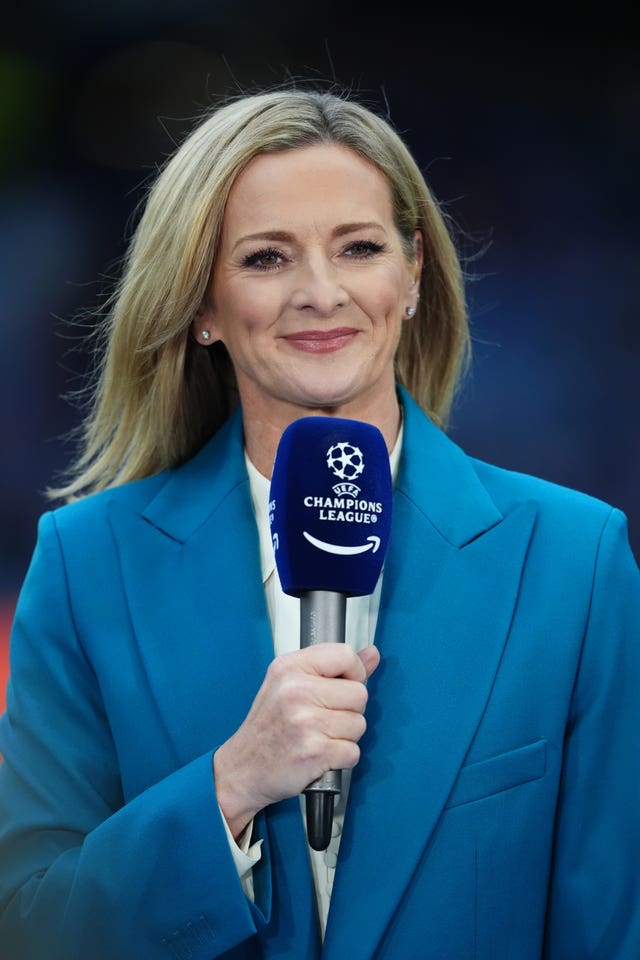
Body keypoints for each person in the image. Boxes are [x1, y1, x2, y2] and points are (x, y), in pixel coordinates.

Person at [0, 84, 639, 960]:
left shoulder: (576, 560)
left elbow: (610, 930)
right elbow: (31, 929)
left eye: (360, 247)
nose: (321, 292)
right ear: (201, 306)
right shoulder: (85, 567)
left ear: (412, 275)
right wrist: (229, 787)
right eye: (266, 258)